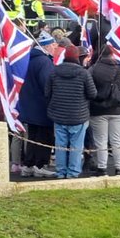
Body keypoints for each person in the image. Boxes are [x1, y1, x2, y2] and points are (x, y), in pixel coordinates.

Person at [46, 45, 97, 179]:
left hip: (59, 114)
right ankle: (73, 173)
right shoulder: (84, 73)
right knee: (76, 146)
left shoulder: (54, 72)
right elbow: (92, 93)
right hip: (78, 115)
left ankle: (61, 171)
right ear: (77, 58)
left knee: (60, 145)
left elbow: (47, 93)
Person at [18, 34, 57, 178]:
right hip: (42, 106)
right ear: (46, 46)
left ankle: (28, 165)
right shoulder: (44, 62)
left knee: (33, 137)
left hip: (29, 105)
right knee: (44, 137)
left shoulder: (28, 60)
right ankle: (39, 165)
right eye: (53, 45)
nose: (55, 48)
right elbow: (47, 85)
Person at [89, 45, 120, 176]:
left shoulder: (93, 69)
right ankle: (119, 168)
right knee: (117, 140)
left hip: (98, 109)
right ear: (112, 55)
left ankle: (102, 168)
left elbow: (89, 88)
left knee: (101, 141)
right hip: (117, 109)